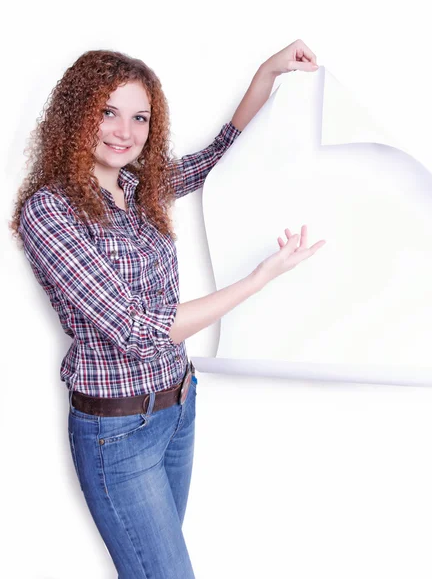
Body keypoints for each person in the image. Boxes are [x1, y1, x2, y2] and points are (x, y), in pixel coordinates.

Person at [9, 39, 326, 578]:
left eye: (140, 118)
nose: (124, 132)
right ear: (76, 114)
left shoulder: (139, 189)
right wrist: (257, 280)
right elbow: (135, 328)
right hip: (118, 430)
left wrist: (267, 70)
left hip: (178, 406)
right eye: (107, 112)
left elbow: (216, 157)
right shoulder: (50, 211)